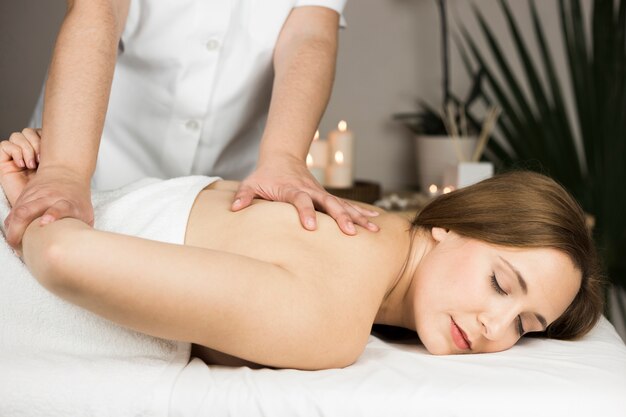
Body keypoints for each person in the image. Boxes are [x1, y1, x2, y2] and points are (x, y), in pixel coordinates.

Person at [0, 131, 604, 370]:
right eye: (502, 284)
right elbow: (60, 260)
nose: (496, 325)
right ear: (453, 222)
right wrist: (37, 202)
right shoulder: (332, 318)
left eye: (525, 326)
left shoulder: (357, 221)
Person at [4, 0, 380, 252]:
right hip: (92, 158)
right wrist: (65, 168)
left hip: (228, 191)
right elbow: (96, 12)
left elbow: (309, 33)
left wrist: (284, 156)